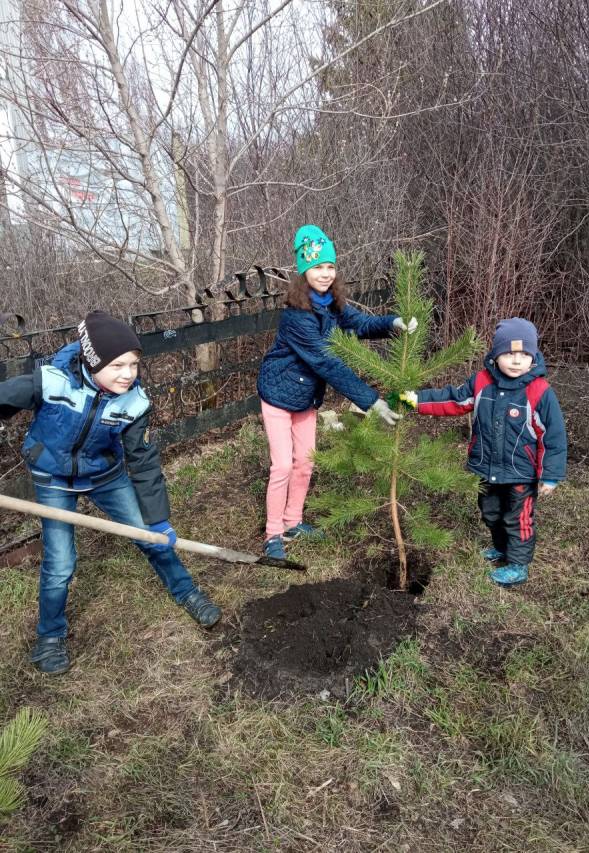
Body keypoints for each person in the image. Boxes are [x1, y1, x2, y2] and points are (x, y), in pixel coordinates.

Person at [0, 311, 221, 675]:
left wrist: (160, 520)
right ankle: (50, 638)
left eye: (134, 364)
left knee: (151, 537)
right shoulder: (51, 382)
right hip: (53, 477)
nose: (128, 374)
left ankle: (187, 592)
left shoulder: (132, 402)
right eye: (117, 365)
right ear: (92, 360)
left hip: (105, 474)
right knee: (60, 564)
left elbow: (144, 462)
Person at [257, 224, 417, 560]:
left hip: (306, 398)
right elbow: (326, 363)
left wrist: (392, 323)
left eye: (330, 266)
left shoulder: (332, 304)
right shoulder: (296, 316)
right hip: (278, 395)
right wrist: (370, 400)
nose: (325, 274)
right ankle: (273, 534)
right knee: (283, 465)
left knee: (305, 463)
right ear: (303, 272)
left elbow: (359, 324)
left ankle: (293, 521)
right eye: (317, 267)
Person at [401, 318, 567, 586]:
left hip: (520, 474)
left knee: (518, 518)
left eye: (524, 354)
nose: (516, 361)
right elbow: (453, 399)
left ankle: (518, 564)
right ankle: (501, 548)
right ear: (495, 355)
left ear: (533, 356)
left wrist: (550, 475)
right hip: (486, 467)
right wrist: (417, 400)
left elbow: (554, 436)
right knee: (490, 512)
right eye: (509, 354)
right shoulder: (481, 382)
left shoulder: (539, 391)